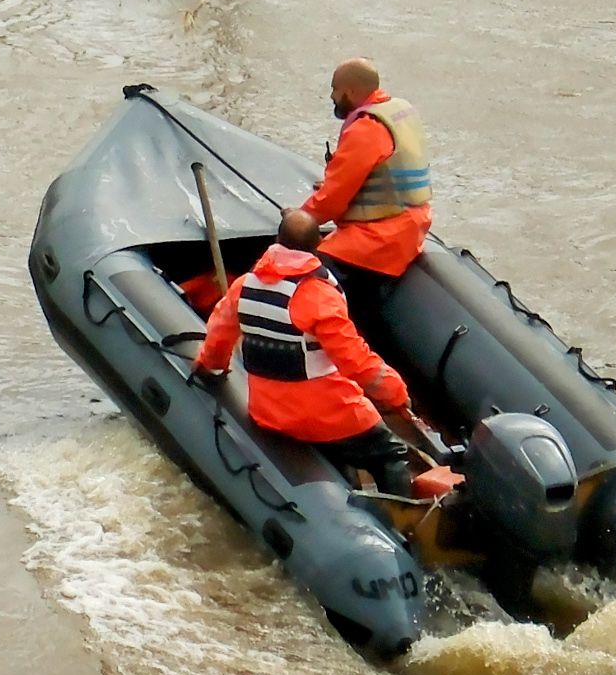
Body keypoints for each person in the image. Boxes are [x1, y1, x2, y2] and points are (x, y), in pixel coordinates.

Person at [192, 234, 452, 500]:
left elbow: (219, 335)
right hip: (327, 416)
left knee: (340, 450)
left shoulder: (243, 287)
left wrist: (209, 366)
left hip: (269, 412)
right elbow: (357, 362)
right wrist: (396, 394)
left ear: (278, 241)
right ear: (315, 246)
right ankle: (403, 512)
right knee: (390, 454)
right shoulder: (319, 296)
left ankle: (344, 487)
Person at [280, 59, 433, 283]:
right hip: (412, 228)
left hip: (379, 240)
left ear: (350, 92)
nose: (332, 96)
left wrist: (297, 218)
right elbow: (386, 172)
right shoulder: (400, 111)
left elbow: (332, 199)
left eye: (335, 89)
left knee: (300, 272)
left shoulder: (366, 129)